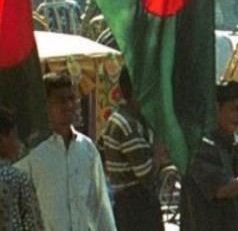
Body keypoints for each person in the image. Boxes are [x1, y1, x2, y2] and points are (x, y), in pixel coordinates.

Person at [16, 72, 115, 231]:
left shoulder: (87, 149)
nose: (69, 105)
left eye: (71, 99)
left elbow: (100, 207)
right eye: (61, 100)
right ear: (45, 105)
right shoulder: (32, 154)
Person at [180, 81, 238, 231]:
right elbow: (223, 189)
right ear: (216, 108)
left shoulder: (230, 146)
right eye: (235, 109)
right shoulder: (201, 145)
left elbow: (235, 198)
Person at [98, 67, 163, 231]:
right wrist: (158, 150)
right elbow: (147, 175)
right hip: (136, 208)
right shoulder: (127, 125)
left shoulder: (125, 120)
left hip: (131, 205)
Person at [0, 107, 44, 230]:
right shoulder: (18, 179)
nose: (18, 143)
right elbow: (33, 225)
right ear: (3, 139)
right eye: (14, 135)